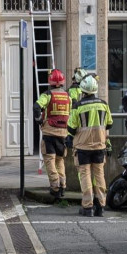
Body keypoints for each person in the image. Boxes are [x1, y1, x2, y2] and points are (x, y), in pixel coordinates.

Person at [67, 74, 112, 217]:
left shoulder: (77, 106)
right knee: (99, 175)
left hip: (83, 147)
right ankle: (101, 206)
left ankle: (88, 207)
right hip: (100, 145)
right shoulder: (104, 104)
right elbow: (109, 124)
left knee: (85, 174)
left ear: (82, 90)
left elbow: (71, 128)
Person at [33, 69, 72, 199]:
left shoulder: (48, 95)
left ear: (51, 82)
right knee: (60, 160)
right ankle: (63, 186)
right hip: (63, 133)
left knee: (50, 160)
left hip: (49, 132)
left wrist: (39, 120)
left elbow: (36, 107)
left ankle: (54, 188)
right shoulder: (68, 96)